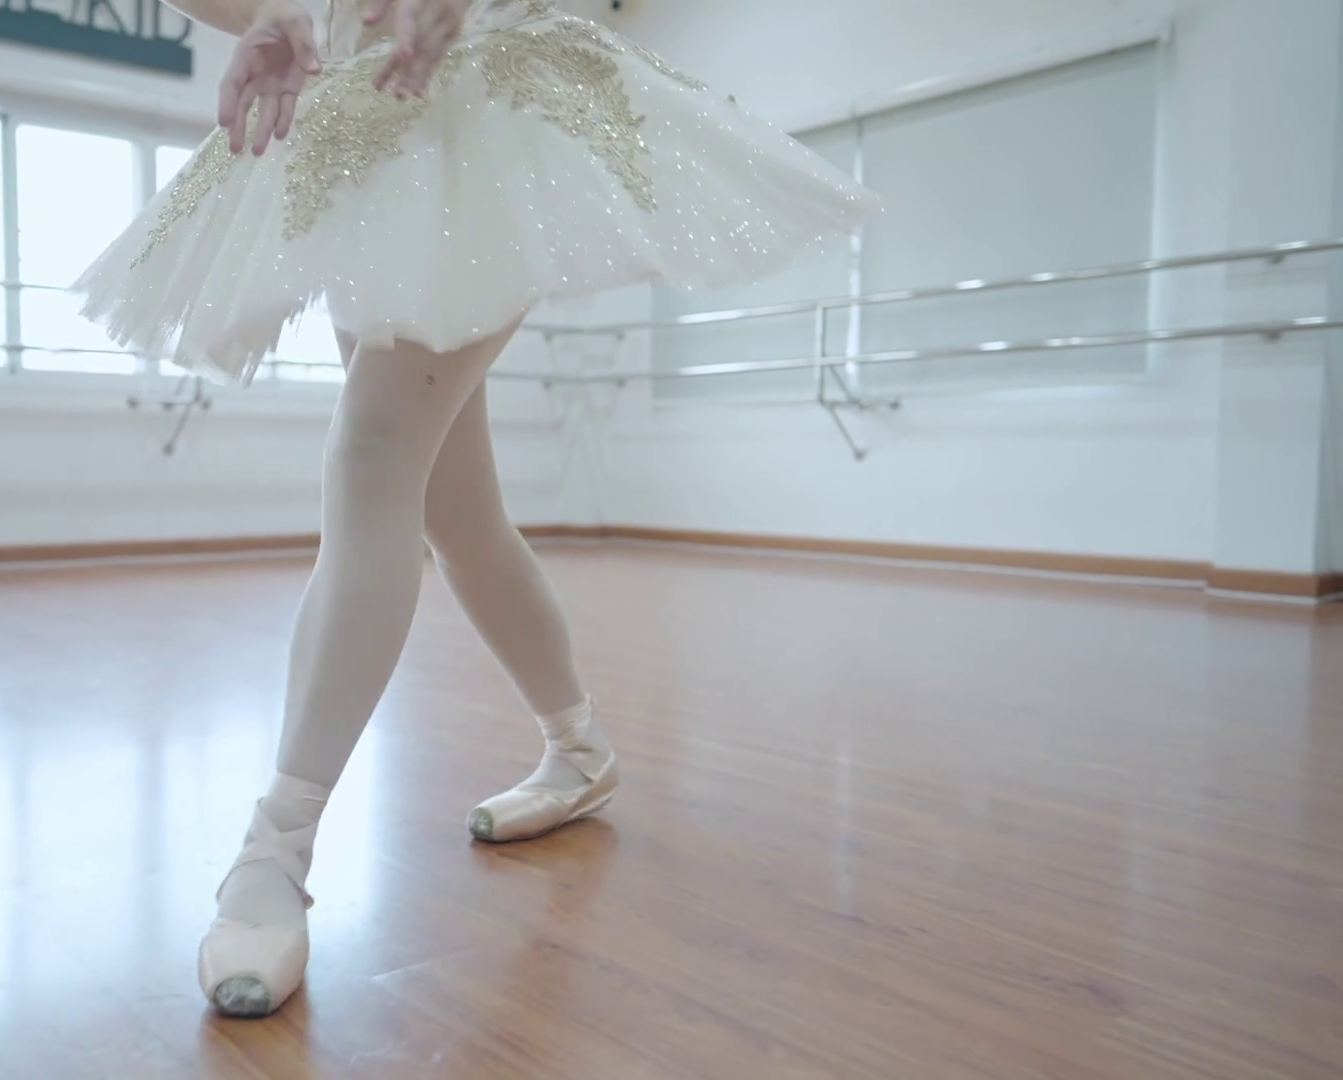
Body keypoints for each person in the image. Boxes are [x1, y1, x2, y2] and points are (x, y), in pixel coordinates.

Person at [74, 0, 875, 1018]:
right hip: (361, 123)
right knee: (455, 510)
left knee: (372, 453)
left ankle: (276, 847)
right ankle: (579, 749)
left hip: (484, 94)